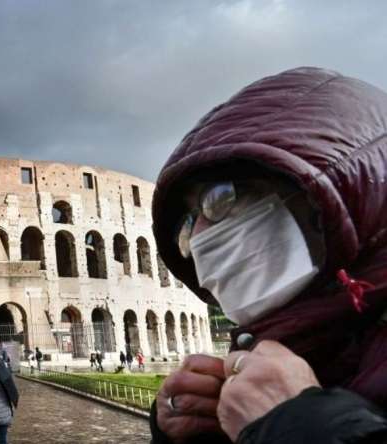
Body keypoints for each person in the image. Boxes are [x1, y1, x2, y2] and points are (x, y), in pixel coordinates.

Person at [149, 67, 387, 443]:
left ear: (330, 193)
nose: (196, 241)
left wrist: (299, 426)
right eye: (188, 221)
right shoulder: (292, 348)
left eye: (220, 197)